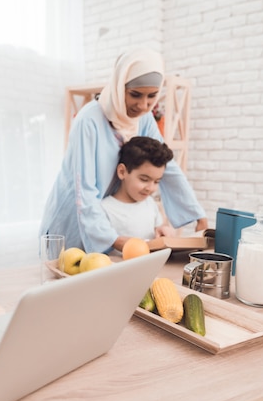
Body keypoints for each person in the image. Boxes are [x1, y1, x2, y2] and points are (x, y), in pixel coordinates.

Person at [40, 47, 207, 253]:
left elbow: (166, 165)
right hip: (74, 216)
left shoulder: (143, 119)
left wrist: (198, 216)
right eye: (135, 95)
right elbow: (85, 191)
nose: (143, 105)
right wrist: (114, 240)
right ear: (120, 87)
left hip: (104, 219)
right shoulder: (89, 121)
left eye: (151, 96)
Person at [101, 136, 176, 241]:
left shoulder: (150, 203)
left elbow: (159, 228)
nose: (150, 188)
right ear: (122, 172)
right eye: (144, 179)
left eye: (156, 181)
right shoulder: (105, 209)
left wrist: (163, 229)